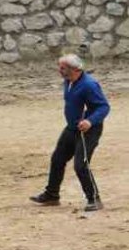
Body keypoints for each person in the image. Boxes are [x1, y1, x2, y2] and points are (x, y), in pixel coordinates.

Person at [30, 54, 110, 211]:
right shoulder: (68, 81)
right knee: (57, 159)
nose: (59, 70)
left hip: (88, 130)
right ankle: (52, 195)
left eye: (62, 68)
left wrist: (89, 121)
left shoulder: (89, 85)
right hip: (72, 128)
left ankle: (94, 199)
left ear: (74, 69)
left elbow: (103, 107)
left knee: (81, 165)